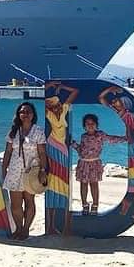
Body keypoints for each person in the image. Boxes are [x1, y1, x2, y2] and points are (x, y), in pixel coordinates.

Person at [98, 86, 134, 220]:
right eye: (115, 100)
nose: (114, 101)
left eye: (117, 100)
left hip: (133, 149)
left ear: (124, 104)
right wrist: (109, 89)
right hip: (126, 147)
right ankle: (129, 201)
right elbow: (101, 98)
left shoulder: (128, 115)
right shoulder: (117, 113)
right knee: (133, 178)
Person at [1, 102, 47, 240]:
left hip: (31, 171)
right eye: (22, 112)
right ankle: (18, 229)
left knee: (29, 201)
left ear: (33, 115)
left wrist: (43, 170)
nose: (25, 114)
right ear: (18, 115)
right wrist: (4, 169)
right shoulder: (13, 131)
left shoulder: (38, 131)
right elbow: (8, 152)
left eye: (28, 112)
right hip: (15, 170)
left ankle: (26, 229)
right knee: (15, 204)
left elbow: (42, 152)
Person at [72, 113, 126, 214]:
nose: (90, 125)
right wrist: (74, 145)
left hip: (94, 163)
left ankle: (95, 205)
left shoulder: (100, 135)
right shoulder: (83, 136)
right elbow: (81, 151)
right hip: (83, 163)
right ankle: (84, 204)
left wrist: (124, 138)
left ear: (96, 125)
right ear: (84, 127)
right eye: (87, 123)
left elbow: (111, 139)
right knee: (83, 185)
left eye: (92, 123)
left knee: (94, 184)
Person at [44, 82, 79, 233]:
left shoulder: (64, 109)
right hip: (52, 145)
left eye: (58, 104)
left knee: (64, 182)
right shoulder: (49, 113)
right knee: (52, 182)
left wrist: (62, 87)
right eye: (55, 105)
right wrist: (49, 85)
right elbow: (42, 97)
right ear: (51, 107)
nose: (58, 107)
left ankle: (65, 226)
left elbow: (76, 90)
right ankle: (51, 225)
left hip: (62, 148)